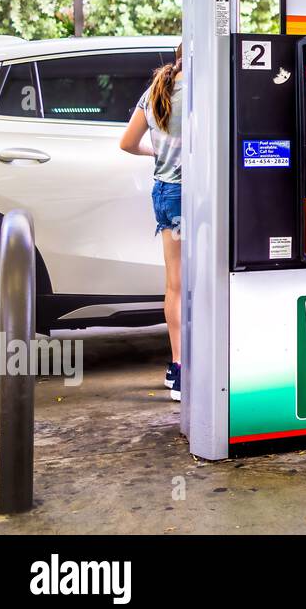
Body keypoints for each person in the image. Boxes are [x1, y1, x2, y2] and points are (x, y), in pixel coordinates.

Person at [119, 45, 184, 401]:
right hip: (205, 194)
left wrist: (157, 151)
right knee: (208, 279)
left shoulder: (157, 89)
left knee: (175, 282)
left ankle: (179, 368)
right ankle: (213, 362)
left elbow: (128, 142)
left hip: (169, 192)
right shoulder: (208, 88)